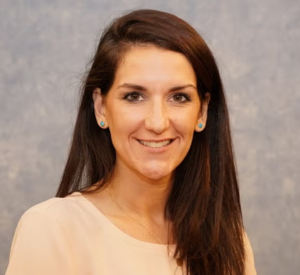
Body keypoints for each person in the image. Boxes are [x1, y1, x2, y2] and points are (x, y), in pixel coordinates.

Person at [5, 9, 257, 275]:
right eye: (134, 96)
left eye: (179, 97)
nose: (157, 123)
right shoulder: (52, 229)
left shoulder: (229, 242)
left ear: (202, 112)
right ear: (101, 108)